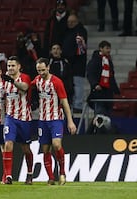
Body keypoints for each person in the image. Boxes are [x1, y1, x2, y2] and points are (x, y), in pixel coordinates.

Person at [31, 57, 77, 185]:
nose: (41, 73)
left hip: (56, 119)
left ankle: (62, 173)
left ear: (48, 67)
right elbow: (27, 87)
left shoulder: (56, 82)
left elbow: (64, 101)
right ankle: (51, 178)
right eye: (38, 70)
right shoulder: (37, 81)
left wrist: (70, 121)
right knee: (45, 149)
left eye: (43, 70)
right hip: (42, 120)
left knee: (57, 145)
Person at [2, 56, 34, 185]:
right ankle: (8, 176)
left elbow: (25, 87)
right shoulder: (5, 81)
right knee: (8, 144)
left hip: (25, 118)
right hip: (10, 118)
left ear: (19, 66)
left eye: (12, 66)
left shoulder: (24, 77)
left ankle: (30, 173)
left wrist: (12, 81)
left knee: (26, 148)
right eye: (8, 66)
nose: (10, 68)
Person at [86, 40, 120, 116]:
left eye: (109, 48)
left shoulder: (109, 61)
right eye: (107, 48)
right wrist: (95, 84)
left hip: (108, 94)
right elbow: (90, 74)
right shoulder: (95, 60)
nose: (109, 50)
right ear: (101, 49)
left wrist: (116, 90)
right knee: (100, 116)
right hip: (99, 93)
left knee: (108, 118)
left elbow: (111, 76)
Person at [62, 13, 87, 114]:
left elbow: (79, 49)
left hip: (78, 64)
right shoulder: (67, 32)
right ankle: (70, 104)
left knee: (78, 85)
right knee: (69, 85)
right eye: (68, 22)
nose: (70, 24)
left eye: (72, 22)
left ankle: (78, 105)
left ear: (77, 22)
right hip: (69, 65)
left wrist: (69, 57)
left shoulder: (80, 32)